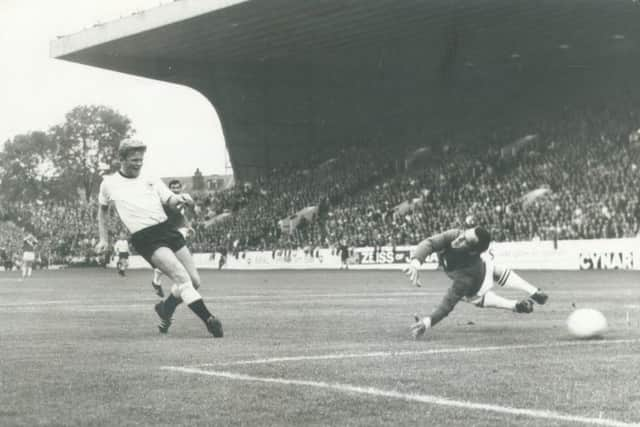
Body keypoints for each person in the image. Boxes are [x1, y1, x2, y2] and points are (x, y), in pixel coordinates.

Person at [96, 139, 223, 337]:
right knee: (182, 277)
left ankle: (165, 308)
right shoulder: (109, 184)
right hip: (145, 237)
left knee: (194, 281)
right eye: (133, 160)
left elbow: (169, 200)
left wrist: (180, 199)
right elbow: (102, 211)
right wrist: (104, 239)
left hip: (166, 229)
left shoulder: (150, 178)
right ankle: (209, 319)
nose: (138, 163)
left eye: (140, 159)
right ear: (121, 159)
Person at [402, 226, 548, 339]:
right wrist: (415, 262)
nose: (459, 240)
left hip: (479, 280)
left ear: (472, 251)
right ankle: (533, 293)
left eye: (466, 241)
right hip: (480, 263)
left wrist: (427, 323)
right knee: (493, 269)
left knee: (474, 297)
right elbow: (430, 243)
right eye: (464, 234)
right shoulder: (456, 234)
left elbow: (448, 304)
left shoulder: (467, 276)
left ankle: (516, 305)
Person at [150, 179, 195, 297]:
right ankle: (157, 281)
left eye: (177, 188)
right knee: (169, 258)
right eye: (173, 188)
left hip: (180, 228)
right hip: (167, 230)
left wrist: (189, 226)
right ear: (169, 189)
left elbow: (187, 212)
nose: (175, 190)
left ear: (181, 188)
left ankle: (158, 281)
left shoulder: (184, 198)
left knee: (174, 256)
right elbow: (173, 211)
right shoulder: (166, 199)